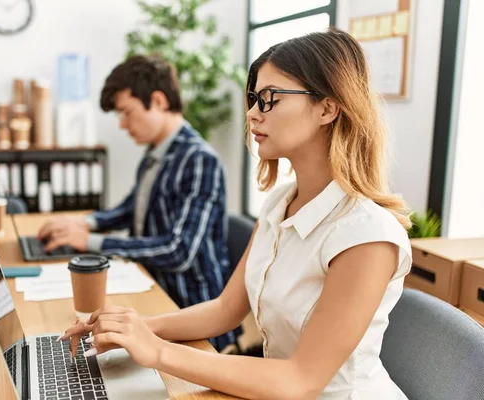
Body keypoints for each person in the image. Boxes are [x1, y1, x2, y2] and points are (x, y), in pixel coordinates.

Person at [58, 28, 414, 399]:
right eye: (254, 99)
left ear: (327, 107)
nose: (252, 113)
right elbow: (225, 310)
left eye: (269, 99)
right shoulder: (280, 203)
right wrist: (133, 327)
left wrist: (157, 351)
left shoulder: (366, 235)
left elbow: (300, 381)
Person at [38, 55, 240, 351]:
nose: (122, 124)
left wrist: (92, 241)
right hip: (151, 284)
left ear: (157, 101)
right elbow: (131, 208)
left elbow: (178, 250)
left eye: (126, 112)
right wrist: (82, 223)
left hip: (186, 306)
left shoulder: (199, 160)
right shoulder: (155, 154)